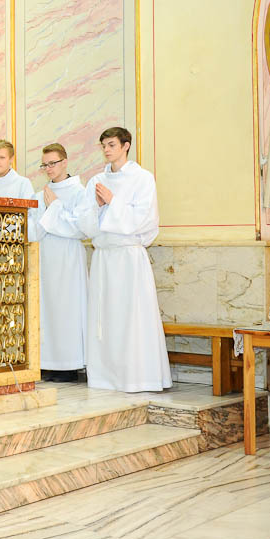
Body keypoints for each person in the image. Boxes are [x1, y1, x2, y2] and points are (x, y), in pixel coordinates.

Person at [75, 127, 171, 393]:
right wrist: (98, 207)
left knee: (132, 316)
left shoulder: (142, 179)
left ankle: (138, 377)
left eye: (112, 145)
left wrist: (113, 202)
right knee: (104, 317)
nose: (107, 150)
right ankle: (106, 377)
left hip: (129, 258)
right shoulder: (96, 180)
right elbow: (84, 221)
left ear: (126, 146)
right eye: (103, 145)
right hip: (104, 257)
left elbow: (145, 219)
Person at [27, 143, 88, 382]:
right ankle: (47, 363)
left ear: (65, 162)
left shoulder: (79, 192)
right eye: (44, 165)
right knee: (46, 310)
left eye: (52, 163)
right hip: (45, 259)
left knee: (67, 310)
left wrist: (55, 209)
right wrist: (50, 216)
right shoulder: (38, 195)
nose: (48, 168)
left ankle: (68, 365)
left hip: (68, 258)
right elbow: (33, 231)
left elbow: (79, 228)